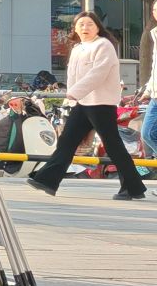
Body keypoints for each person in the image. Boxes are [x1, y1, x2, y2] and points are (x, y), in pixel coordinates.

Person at [30, 11, 148, 201]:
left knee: (112, 145)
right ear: (75, 29)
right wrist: (72, 98)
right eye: (81, 24)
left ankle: (133, 187)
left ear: (98, 27)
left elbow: (98, 74)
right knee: (67, 141)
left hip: (101, 103)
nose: (85, 28)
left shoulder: (104, 45)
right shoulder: (78, 48)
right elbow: (73, 77)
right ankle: (47, 181)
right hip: (83, 102)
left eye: (90, 24)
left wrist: (75, 92)